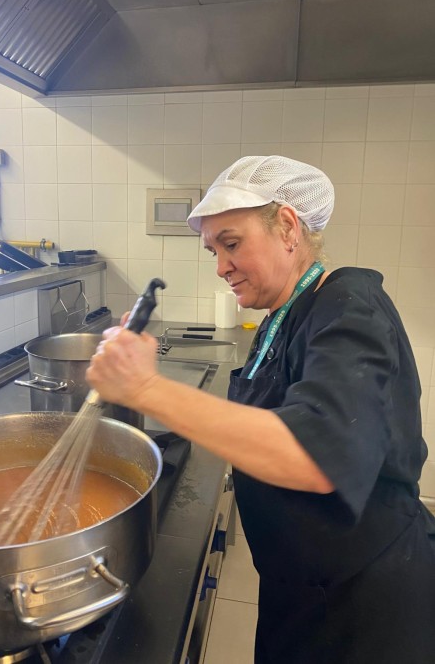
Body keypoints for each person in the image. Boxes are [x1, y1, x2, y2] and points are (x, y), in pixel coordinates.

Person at [86, 155, 435, 664]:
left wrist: (145, 387)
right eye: (214, 250)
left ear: (288, 228)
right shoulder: (284, 313)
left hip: (364, 605)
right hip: (296, 589)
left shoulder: (350, 307)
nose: (221, 266)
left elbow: (315, 454)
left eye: (232, 243)